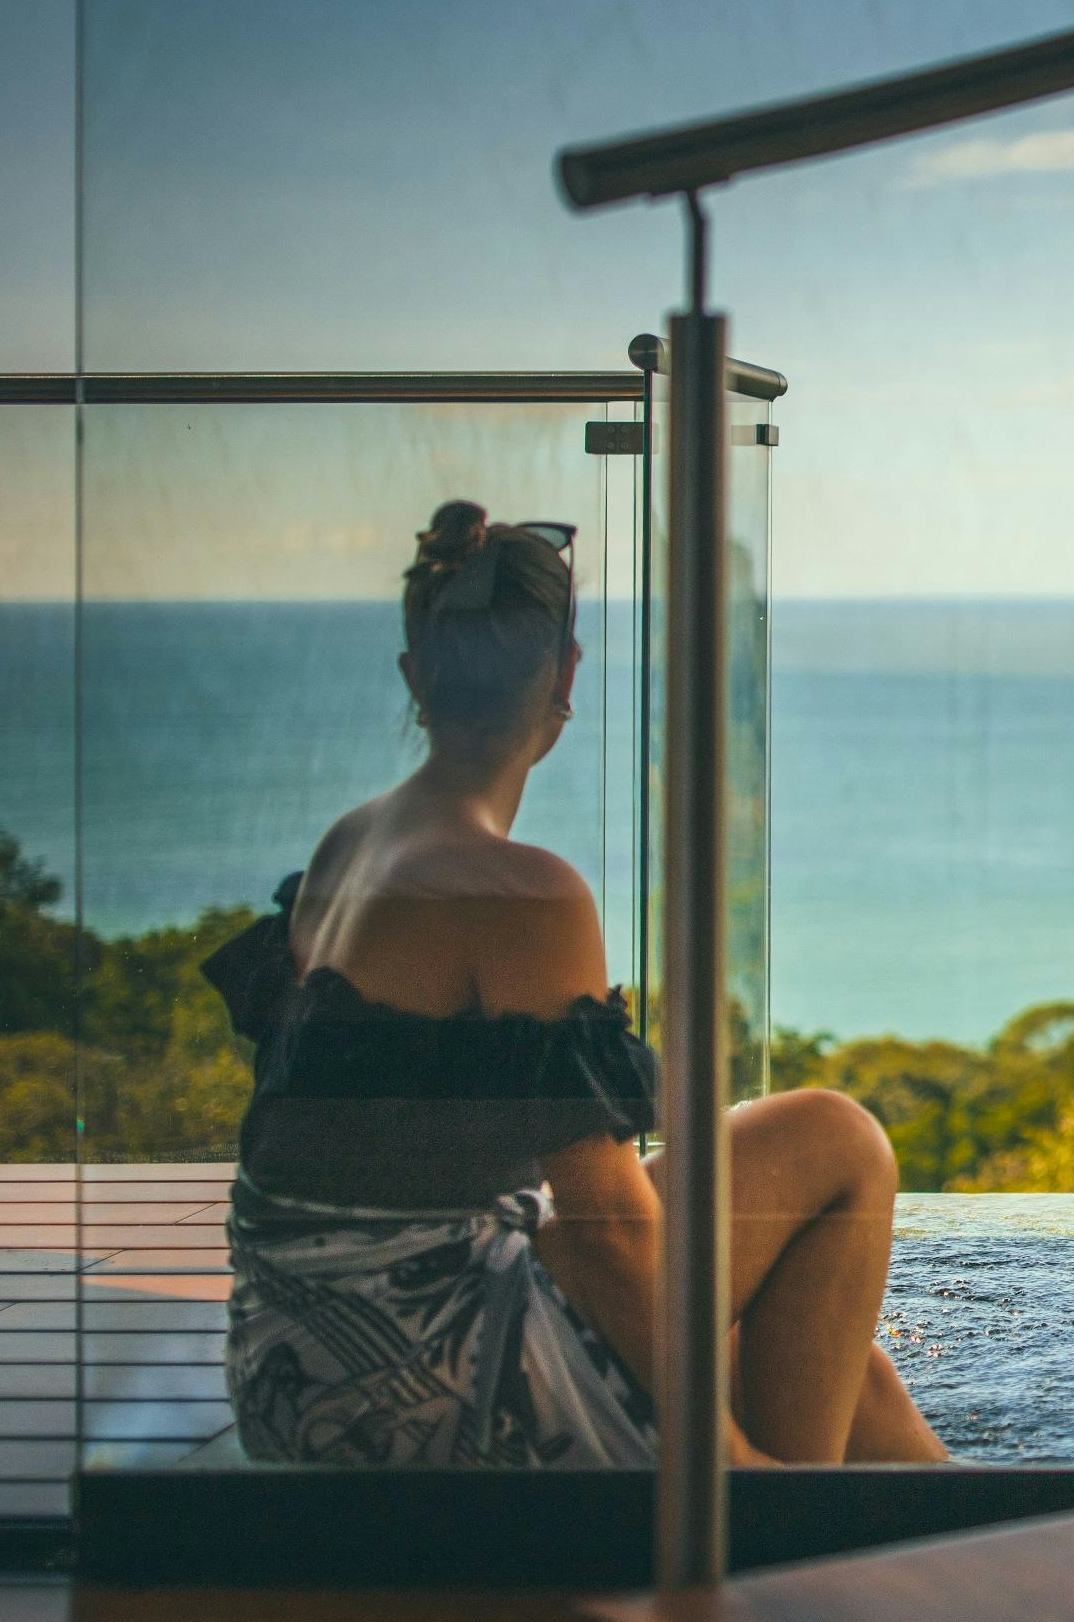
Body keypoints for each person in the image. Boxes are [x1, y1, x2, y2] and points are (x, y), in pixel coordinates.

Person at [203, 501, 942, 1468]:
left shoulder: (351, 840)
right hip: (409, 1379)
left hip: (290, 1362)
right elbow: (603, 1233)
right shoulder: (519, 894)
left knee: (852, 1376)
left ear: (415, 678)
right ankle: (774, 1538)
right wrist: (725, 1463)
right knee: (837, 1138)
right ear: (566, 677)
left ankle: (1001, 1559)